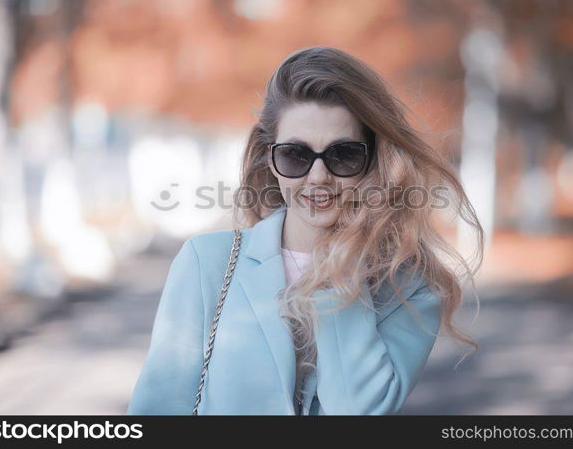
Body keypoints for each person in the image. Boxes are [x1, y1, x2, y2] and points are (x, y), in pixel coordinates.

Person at [126, 46, 483, 415]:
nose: (318, 178)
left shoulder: (411, 287)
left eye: (343, 154)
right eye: (295, 155)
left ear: (373, 160)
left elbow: (358, 411)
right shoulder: (206, 263)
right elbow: (158, 408)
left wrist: (341, 271)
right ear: (270, 158)